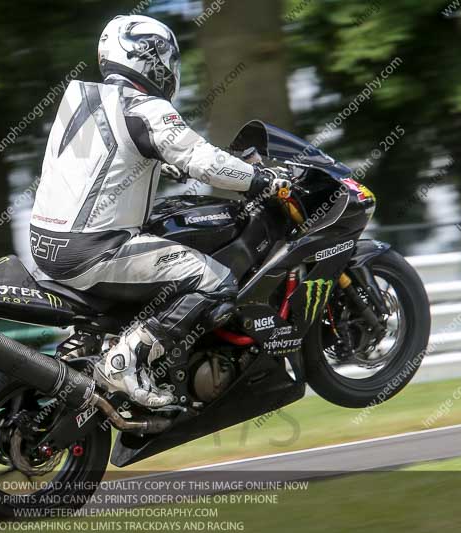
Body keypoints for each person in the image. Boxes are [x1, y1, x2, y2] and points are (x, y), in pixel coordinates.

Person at [30, 15, 286, 407]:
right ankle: (125, 360)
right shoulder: (146, 108)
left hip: (46, 245)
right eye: (168, 59)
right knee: (215, 281)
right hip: (94, 248)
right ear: (151, 58)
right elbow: (206, 161)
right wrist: (260, 179)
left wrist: (157, 161)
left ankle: (92, 346)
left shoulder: (81, 99)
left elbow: (99, 158)